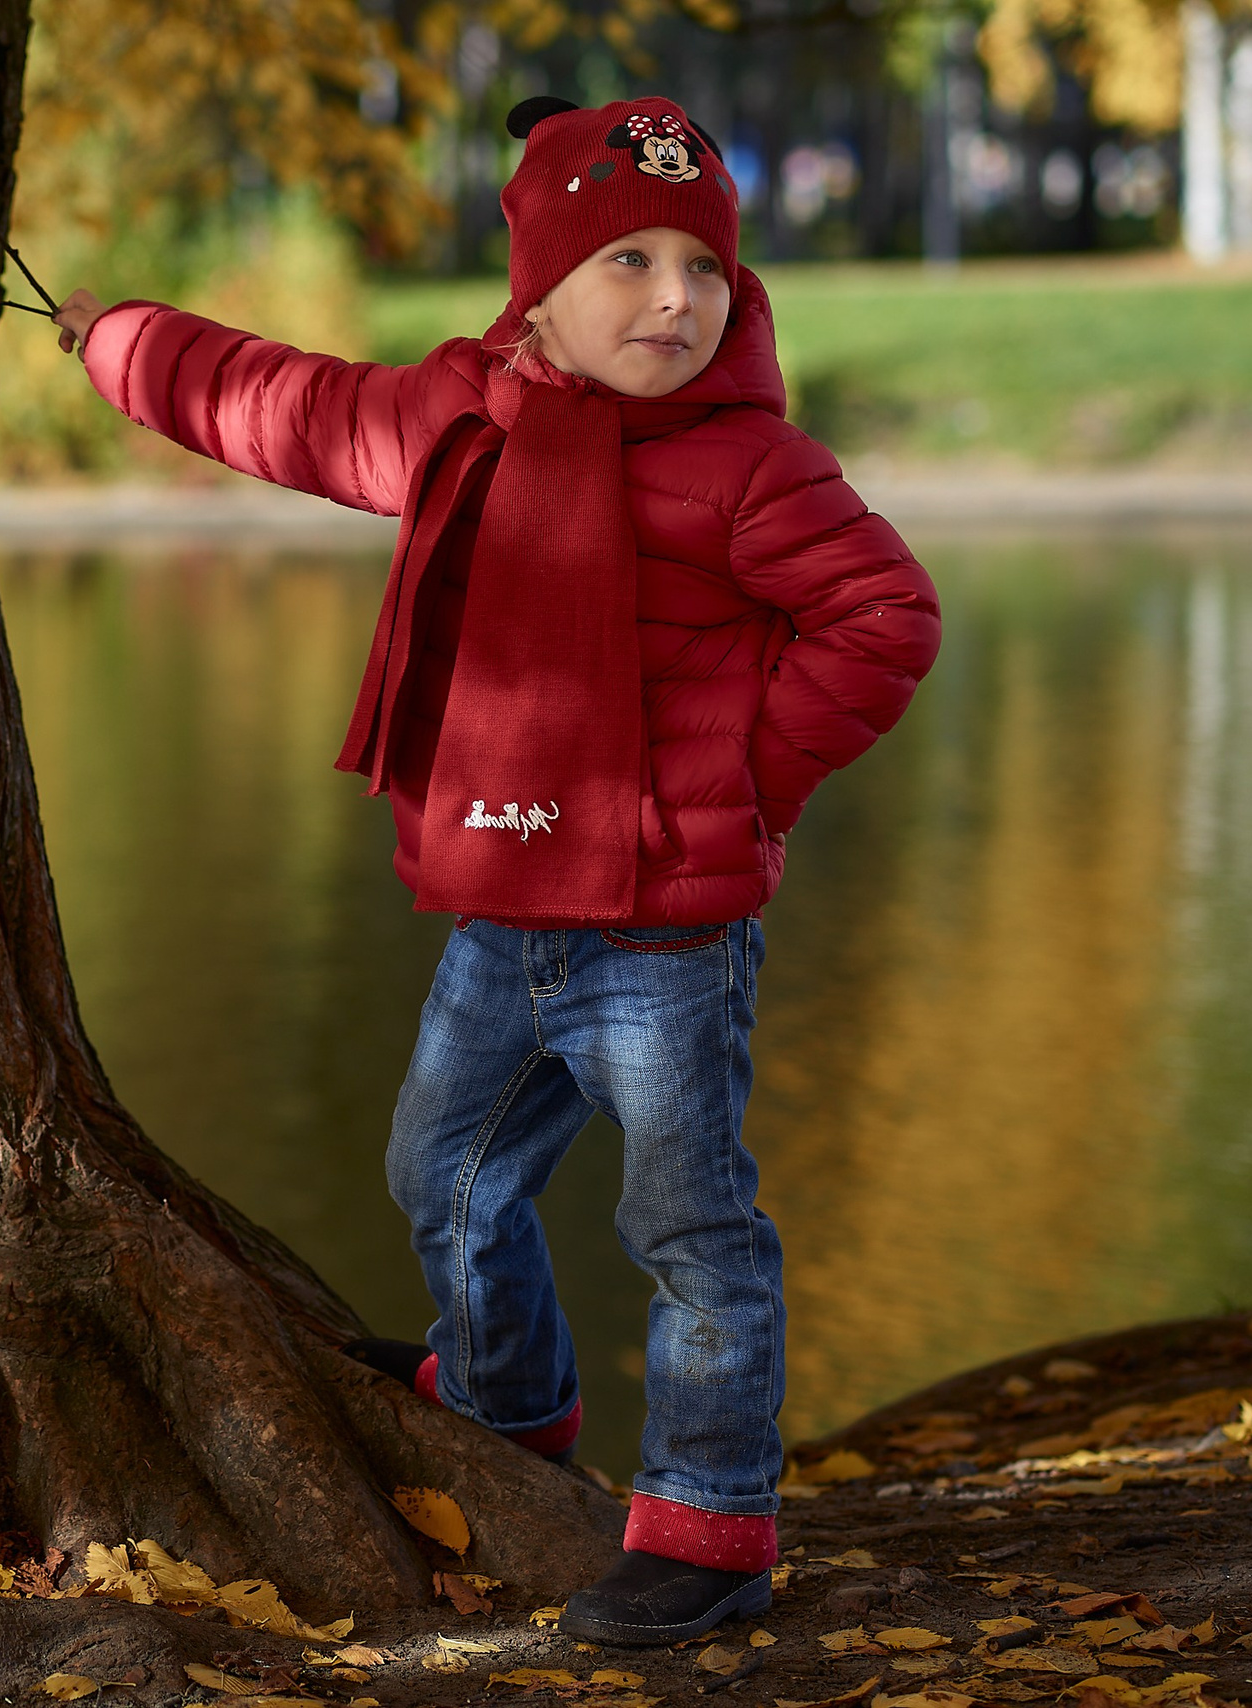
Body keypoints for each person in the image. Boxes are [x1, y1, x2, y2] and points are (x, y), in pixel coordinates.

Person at [49, 94, 941, 1645]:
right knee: (439, 1172)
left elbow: (887, 619)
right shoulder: (462, 417)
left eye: (707, 271)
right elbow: (285, 404)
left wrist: (738, 782)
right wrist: (115, 337)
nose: (678, 297)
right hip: (503, 905)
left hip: (667, 936)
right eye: (633, 262)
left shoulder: (748, 465)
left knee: (688, 1230)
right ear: (540, 287)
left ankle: (710, 1524)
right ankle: (511, 1397)